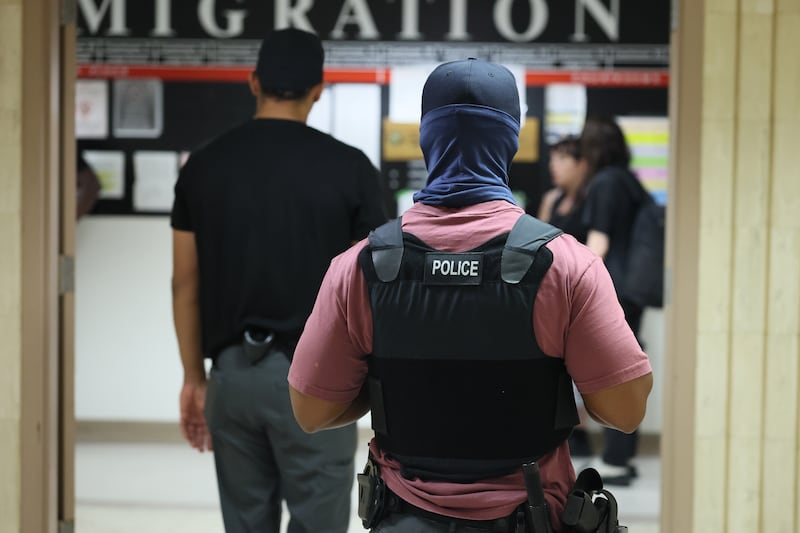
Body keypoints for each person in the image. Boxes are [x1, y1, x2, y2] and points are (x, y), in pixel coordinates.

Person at [287, 58, 652, 532]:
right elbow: (625, 410)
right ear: (511, 141)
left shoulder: (359, 267)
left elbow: (311, 410)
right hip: (532, 519)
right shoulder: (566, 266)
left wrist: (386, 389)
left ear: (426, 138)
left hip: (403, 520)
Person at [170, 28, 387, 533]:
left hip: (231, 377)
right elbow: (373, 284)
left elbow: (184, 281)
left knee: (245, 522)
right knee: (318, 521)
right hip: (319, 381)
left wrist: (193, 378)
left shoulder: (203, 165)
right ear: (318, 89)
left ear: (252, 83)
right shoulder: (350, 168)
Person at [579, 114, 653, 485]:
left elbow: (599, 244)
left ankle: (615, 459)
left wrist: (574, 282)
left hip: (616, 292)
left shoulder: (606, 183)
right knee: (627, 371)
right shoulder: (630, 182)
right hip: (633, 290)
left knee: (611, 373)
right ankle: (621, 456)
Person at [538, 136, 594, 459]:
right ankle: (571, 430)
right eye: (552, 160)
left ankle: (582, 431)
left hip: (581, 290)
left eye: (561, 160)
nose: (553, 166)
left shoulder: (590, 201)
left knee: (582, 363)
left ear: (581, 164)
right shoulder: (552, 199)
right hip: (553, 293)